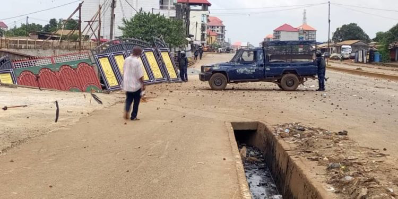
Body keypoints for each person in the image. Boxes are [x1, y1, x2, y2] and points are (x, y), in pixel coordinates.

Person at [123, 47, 146, 120]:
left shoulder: (126, 59)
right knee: (136, 101)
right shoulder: (137, 61)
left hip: (127, 83)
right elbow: (139, 75)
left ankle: (126, 110)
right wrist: (143, 84)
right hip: (135, 84)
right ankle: (133, 116)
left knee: (128, 99)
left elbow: (124, 70)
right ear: (139, 53)